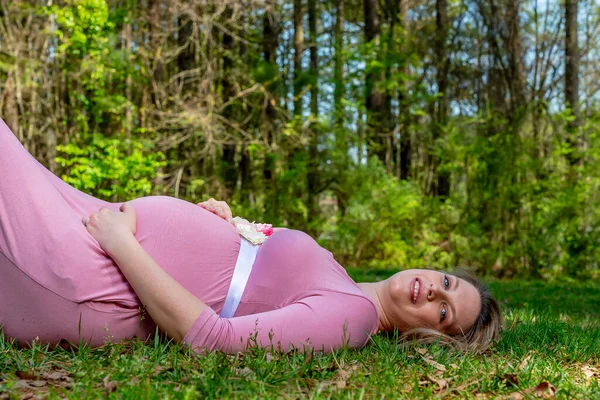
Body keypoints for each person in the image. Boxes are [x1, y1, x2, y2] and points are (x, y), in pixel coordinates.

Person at [0, 118, 502, 354]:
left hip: (92, 277)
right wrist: (227, 226)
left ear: (429, 334)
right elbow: (248, 278)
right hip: (94, 234)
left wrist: (122, 243)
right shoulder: (345, 283)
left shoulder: (352, 316)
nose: (435, 290)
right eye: (446, 282)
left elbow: (211, 339)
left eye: (443, 312)